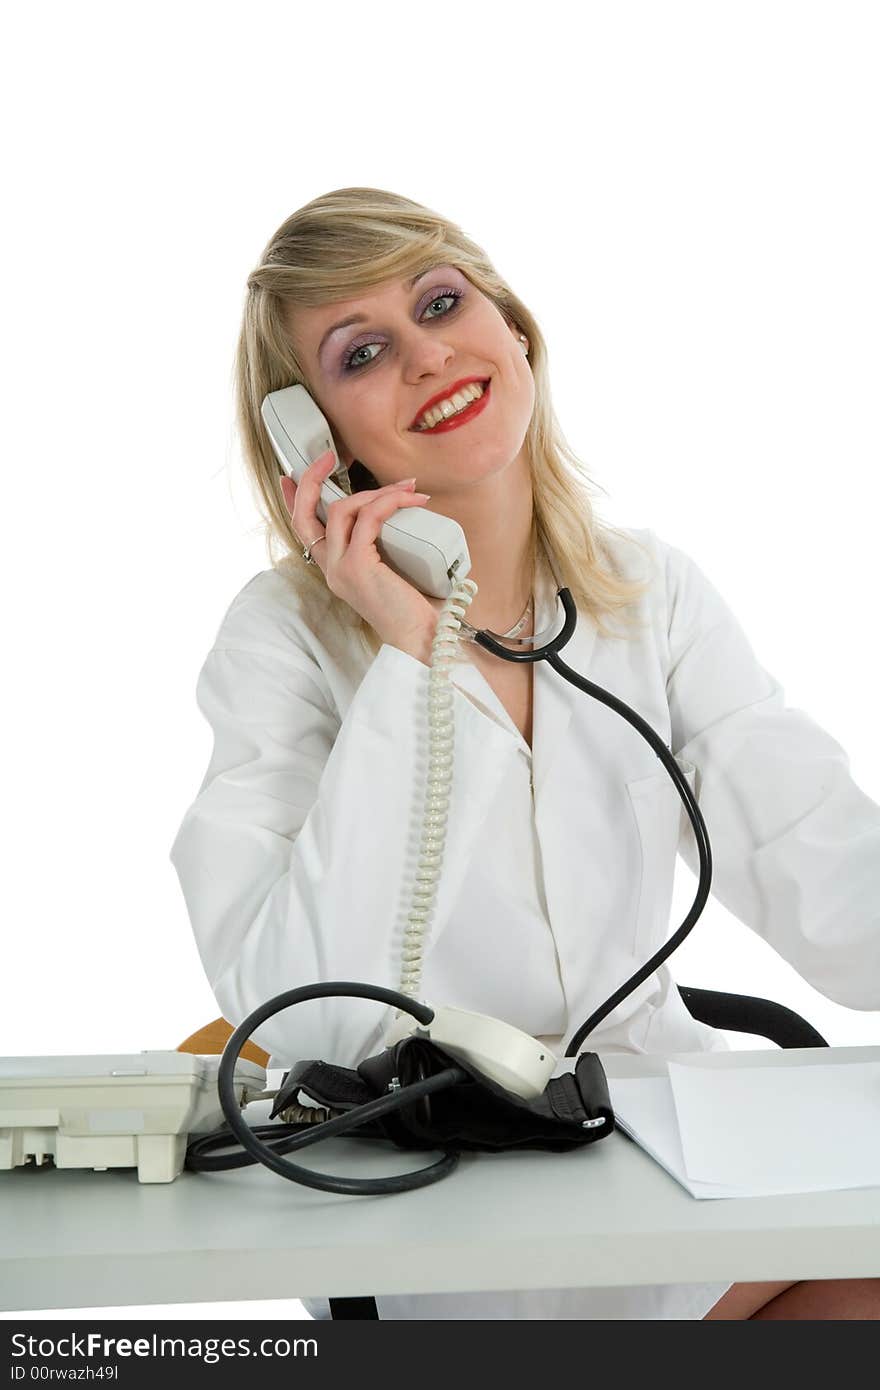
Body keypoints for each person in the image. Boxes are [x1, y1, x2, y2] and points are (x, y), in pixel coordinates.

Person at [170, 187, 880, 1320]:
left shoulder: (650, 592)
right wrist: (414, 657)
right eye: (363, 353)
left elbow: (824, 869)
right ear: (316, 437)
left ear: (513, 326)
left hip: (665, 1145)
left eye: (441, 302)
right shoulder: (280, 640)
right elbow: (312, 1022)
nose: (425, 355)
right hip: (446, 1201)